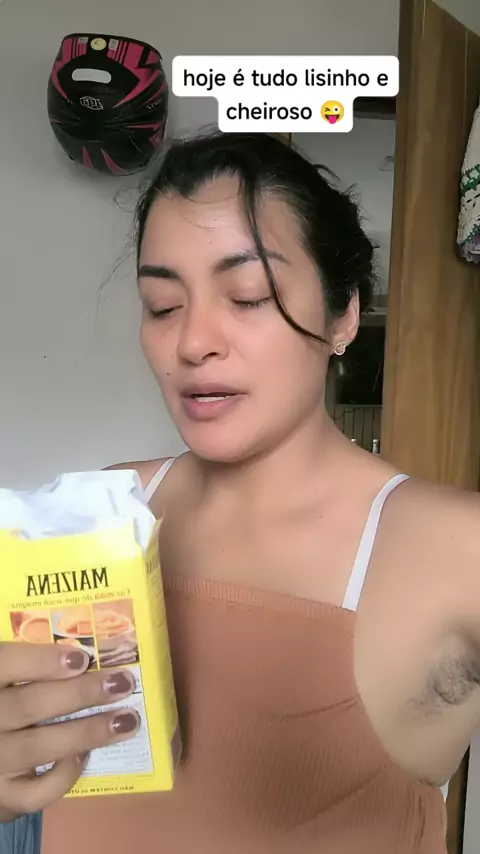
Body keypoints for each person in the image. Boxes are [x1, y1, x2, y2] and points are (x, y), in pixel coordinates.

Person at [1, 129, 479, 854]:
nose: (193, 342)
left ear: (345, 314)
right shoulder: (103, 512)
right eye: (163, 304)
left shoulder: (453, 548)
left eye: (249, 296)